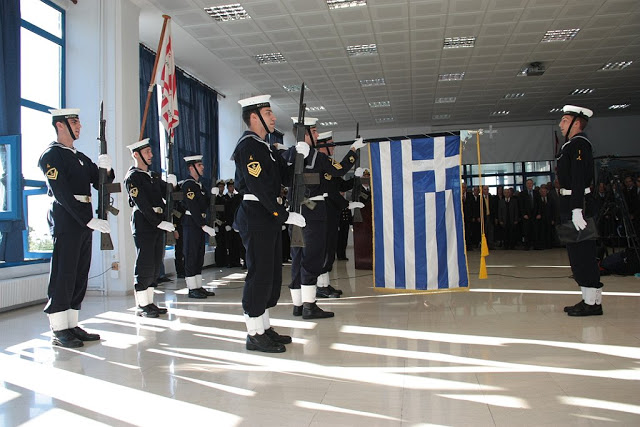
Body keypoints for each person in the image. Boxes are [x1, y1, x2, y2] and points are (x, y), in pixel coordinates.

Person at [232, 94, 306, 353]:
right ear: (254, 117)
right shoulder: (249, 146)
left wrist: (298, 156)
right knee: (259, 274)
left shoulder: (265, 147)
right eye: (268, 113)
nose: (274, 117)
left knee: (271, 275)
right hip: (257, 214)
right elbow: (259, 186)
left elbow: (283, 179)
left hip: (266, 215)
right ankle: (253, 333)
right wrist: (283, 215)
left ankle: (263, 327)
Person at [38, 108, 113, 348]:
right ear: (60, 125)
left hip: (83, 220)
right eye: (73, 121)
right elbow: (61, 193)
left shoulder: (78, 156)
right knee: (64, 273)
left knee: (80, 273)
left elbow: (101, 181)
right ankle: (58, 328)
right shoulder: (51, 156)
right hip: (68, 219)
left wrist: (106, 169)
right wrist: (86, 219)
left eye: (79, 121)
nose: (79, 126)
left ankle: (71, 323)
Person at [288, 120, 363, 310]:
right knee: (312, 257)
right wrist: (354, 149)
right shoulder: (313, 156)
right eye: (314, 131)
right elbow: (340, 170)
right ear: (304, 134)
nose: (317, 135)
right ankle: (309, 305)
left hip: (296, 211)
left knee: (298, 257)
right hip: (313, 212)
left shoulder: (288, 155)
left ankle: (298, 304)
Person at [556, 105, 603, 316]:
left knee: (583, 253)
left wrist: (576, 209)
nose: (560, 124)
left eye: (565, 121)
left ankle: (592, 303)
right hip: (570, 203)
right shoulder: (571, 145)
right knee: (576, 254)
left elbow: (577, 178)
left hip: (578, 204)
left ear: (576, 123)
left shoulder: (579, 144)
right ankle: (588, 299)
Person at [124, 138, 177, 317]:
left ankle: (150, 302)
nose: (151, 155)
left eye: (150, 151)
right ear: (136, 155)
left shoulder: (153, 176)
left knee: (155, 263)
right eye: (147, 152)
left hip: (157, 222)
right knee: (145, 262)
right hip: (144, 222)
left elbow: (167, 193)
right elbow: (142, 204)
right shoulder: (133, 177)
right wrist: (157, 222)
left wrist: (173, 185)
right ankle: (141, 305)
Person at [315, 130, 364, 297]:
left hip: (332, 212)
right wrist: (352, 151)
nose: (334, 146)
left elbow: (340, 186)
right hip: (324, 211)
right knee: (324, 250)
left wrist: (356, 178)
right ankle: (320, 287)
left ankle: (325, 284)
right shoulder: (320, 163)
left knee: (329, 250)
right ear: (323, 146)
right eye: (331, 143)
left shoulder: (328, 163)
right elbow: (331, 190)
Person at [180, 155, 217, 299]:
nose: (202, 167)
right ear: (191, 167)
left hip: (198, 223)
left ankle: (197, 286)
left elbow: (204, 205)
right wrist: (202, 225)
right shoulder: (188, 185)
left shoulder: (199, 185)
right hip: (191, 223)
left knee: (198, 255)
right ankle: (191, 288)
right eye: (199, 165)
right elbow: (193, 207)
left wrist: (212, 196)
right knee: (191, 255)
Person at [224, 179, 244, 268]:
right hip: (229, 223)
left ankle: (238, 261)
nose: (231, 188)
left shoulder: (238, 198)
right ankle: (231, 261)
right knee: (230, 244)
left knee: (238, 243)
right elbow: (226, 212)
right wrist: (227, 223)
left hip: (237, 223)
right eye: (230, 186)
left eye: (233, 186)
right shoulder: (225, 198)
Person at [212, 179, 227, 268]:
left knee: (224, 243)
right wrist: (214, 223)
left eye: (222, 187)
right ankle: (219, 262)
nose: (221, 188)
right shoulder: (215, 198)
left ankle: (224, 261)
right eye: (220, 187)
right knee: (218, 244)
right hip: (217, 223)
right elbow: (212, 211)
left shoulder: (224, 198)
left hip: (224, 223)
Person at [519, 179, 538, 250]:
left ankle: (535, 245)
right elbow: (521, 205)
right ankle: (527, 246)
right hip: (526, 215)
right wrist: (524, 214)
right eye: (528, 183)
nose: (529, 185)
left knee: (535, 231)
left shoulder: (536, 193)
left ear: (533, 184)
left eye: (531, 183)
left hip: (535, 215)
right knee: (527, 231)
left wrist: (538, 213)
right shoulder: (522, 194)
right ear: (526, 185)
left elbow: (539, 204)